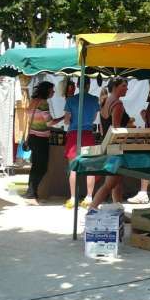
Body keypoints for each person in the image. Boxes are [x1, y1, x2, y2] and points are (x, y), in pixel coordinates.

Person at [89, 78, 131, 210]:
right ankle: (92, 209)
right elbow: (116, 129)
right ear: (115, 87)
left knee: (117, 182)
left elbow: (103, 129)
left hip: (107, 145)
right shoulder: (117, 104)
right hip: (115, 147)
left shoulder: (105, 101)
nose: (126, 89)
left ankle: (118, 211)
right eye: (124, 86)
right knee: (110, 183)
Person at [63, 77, 100, 209]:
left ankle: (73, 198)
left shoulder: (71, 100)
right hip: (88, 134)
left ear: (78, 85)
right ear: (89, 85)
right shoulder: (95, 99)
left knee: (73, 167)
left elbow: (66, 121)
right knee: (90, 166)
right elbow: (94, 117)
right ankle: (89, 197)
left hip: (73, 134)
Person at [25, 81, 64, 200]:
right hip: (41, 139)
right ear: (46, 91)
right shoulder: (43, 103)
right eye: (52, 90)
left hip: (32, 137)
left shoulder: (33, 102)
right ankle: (32, 192)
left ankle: (31, 191)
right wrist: (63, 117)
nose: (53, 92)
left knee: (35, 165)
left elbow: (36, 120)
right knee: (42, 167)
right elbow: (49, 122)